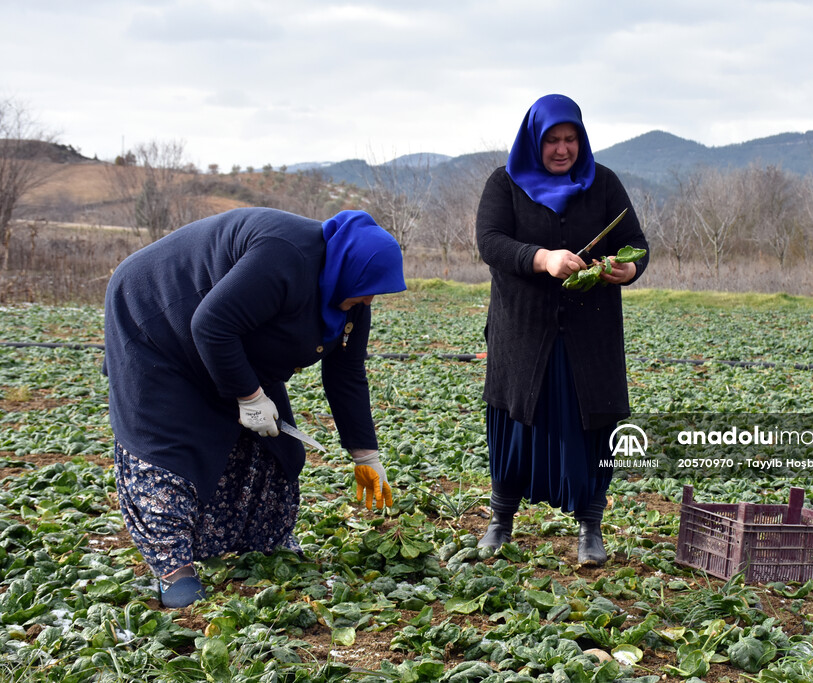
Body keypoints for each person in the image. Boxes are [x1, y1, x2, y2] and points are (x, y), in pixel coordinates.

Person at [103, 207, 405, 608]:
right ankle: (174, 568)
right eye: (368, 287)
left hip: (230, 342)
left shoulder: (351, 300)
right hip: (156, 321)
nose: (369, 298)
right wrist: (249, 396)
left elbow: (346, 376)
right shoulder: (284, 256)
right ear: (350, 268)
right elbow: (209, 324)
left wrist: (365, 454)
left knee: (274, 446)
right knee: (168, 452)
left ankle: (264, 543)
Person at [475, 94, 650, 566]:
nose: (561, 149)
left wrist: (626, 269)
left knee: (593, 423)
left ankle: (591, 526)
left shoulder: (604, 184)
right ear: (535, 139)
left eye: (570, 139)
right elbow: (490, 242)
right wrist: (543, 258)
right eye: (552, 139)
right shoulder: (505, 183)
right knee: (513, 423)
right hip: (523, 332)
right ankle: (501, 520)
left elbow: (636, 243)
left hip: (590, 335)